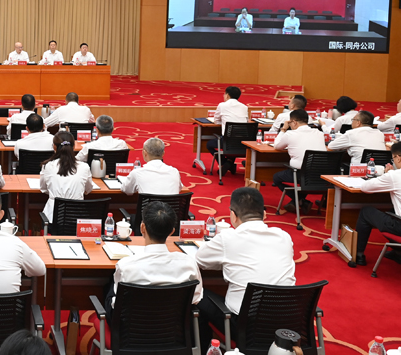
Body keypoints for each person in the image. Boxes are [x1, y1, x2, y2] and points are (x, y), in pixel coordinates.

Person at [195, 188, 295, 345]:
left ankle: (205, 348)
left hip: (245, 327)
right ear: (264, 214)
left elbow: (199, 259)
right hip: (285, 323)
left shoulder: (228, 238)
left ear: (233, 215)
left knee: (198, 294)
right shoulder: (284, 236)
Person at [104, 202, 203, 317]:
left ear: (142, 228)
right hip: (173, 325)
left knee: (109, 287)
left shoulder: (125, 265)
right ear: (172, 231)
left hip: (133, 325)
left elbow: (117, 304)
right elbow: (196, 298)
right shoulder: (189, 263)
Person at [351, 142, 401, 267]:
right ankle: (398, 252)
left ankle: (358, 254)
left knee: (366, 211)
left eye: (393, 159)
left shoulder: (394, 175)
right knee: (392, 210)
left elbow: (365, 188)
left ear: (398, 158)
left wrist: (388, 174)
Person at [272, 109, 329, 213]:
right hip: (321, 175)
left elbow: (277, 146)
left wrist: (283, 129)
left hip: (301, 174)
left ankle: (298, 199)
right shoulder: (319, 133)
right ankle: (301, 201)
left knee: (276, 177)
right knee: (304, 177)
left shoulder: (290, 134)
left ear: (294, 122)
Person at [39, 132, 93, 223]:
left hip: (53, 219)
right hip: (77, 219)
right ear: (74, 147)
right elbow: (88, 189)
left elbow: (43, 189)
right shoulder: (84, 167)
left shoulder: (48, 166)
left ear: (54, 147)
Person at [207, 86, 248, 174]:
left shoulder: (222, 105)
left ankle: (225, 162)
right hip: (243, 143)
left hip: (227, 141)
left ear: (227, 95)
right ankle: (230, 162)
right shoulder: (244, 107)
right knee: (234, 143)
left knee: (209, 144)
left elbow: (216, 121)